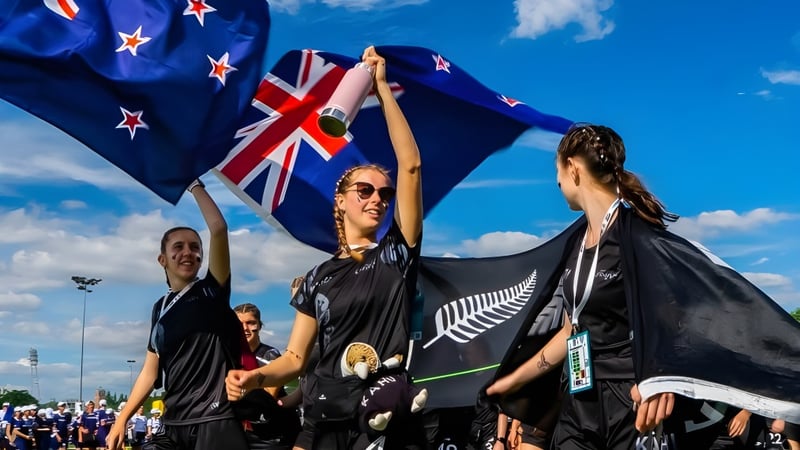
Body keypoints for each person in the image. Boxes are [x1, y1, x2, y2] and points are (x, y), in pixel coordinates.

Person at [225, 45, 424, 450]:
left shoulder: (396, 253)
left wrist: (382, 89)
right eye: (364, 190)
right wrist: (255, 378)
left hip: (380, 417)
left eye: (384, 194)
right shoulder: (316, 278)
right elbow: (296, 360)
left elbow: (410, 167)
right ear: (341, 200)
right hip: (323, 417)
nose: (377, 199)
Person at [487, 124, 676, 449]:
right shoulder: (576, 243)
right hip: (578, 393)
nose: (557, 183)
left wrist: (664, 378)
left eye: (558, 171)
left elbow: (676, 315)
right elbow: (569, 331)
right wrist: (513, 380)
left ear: (572, 168)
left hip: (628, 400)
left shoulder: (637, 236)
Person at [106, 178, 248, 450]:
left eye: (195, 247)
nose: (188, 253)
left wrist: (193, 184)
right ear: (163, 259)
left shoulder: (212, 291)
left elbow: (219, 229)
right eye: (179, 247)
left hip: (213, 419)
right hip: (173, 422)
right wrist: (121, 419)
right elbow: (150, 372)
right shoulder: (160, 308)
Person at [233, 302, 302, 449]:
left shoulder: (271, 355)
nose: (245, 328)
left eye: (250, 323)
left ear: (259, 325)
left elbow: (268, 395)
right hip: (244, 434)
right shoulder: (230, 357)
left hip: (274, 435)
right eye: (239, 324)